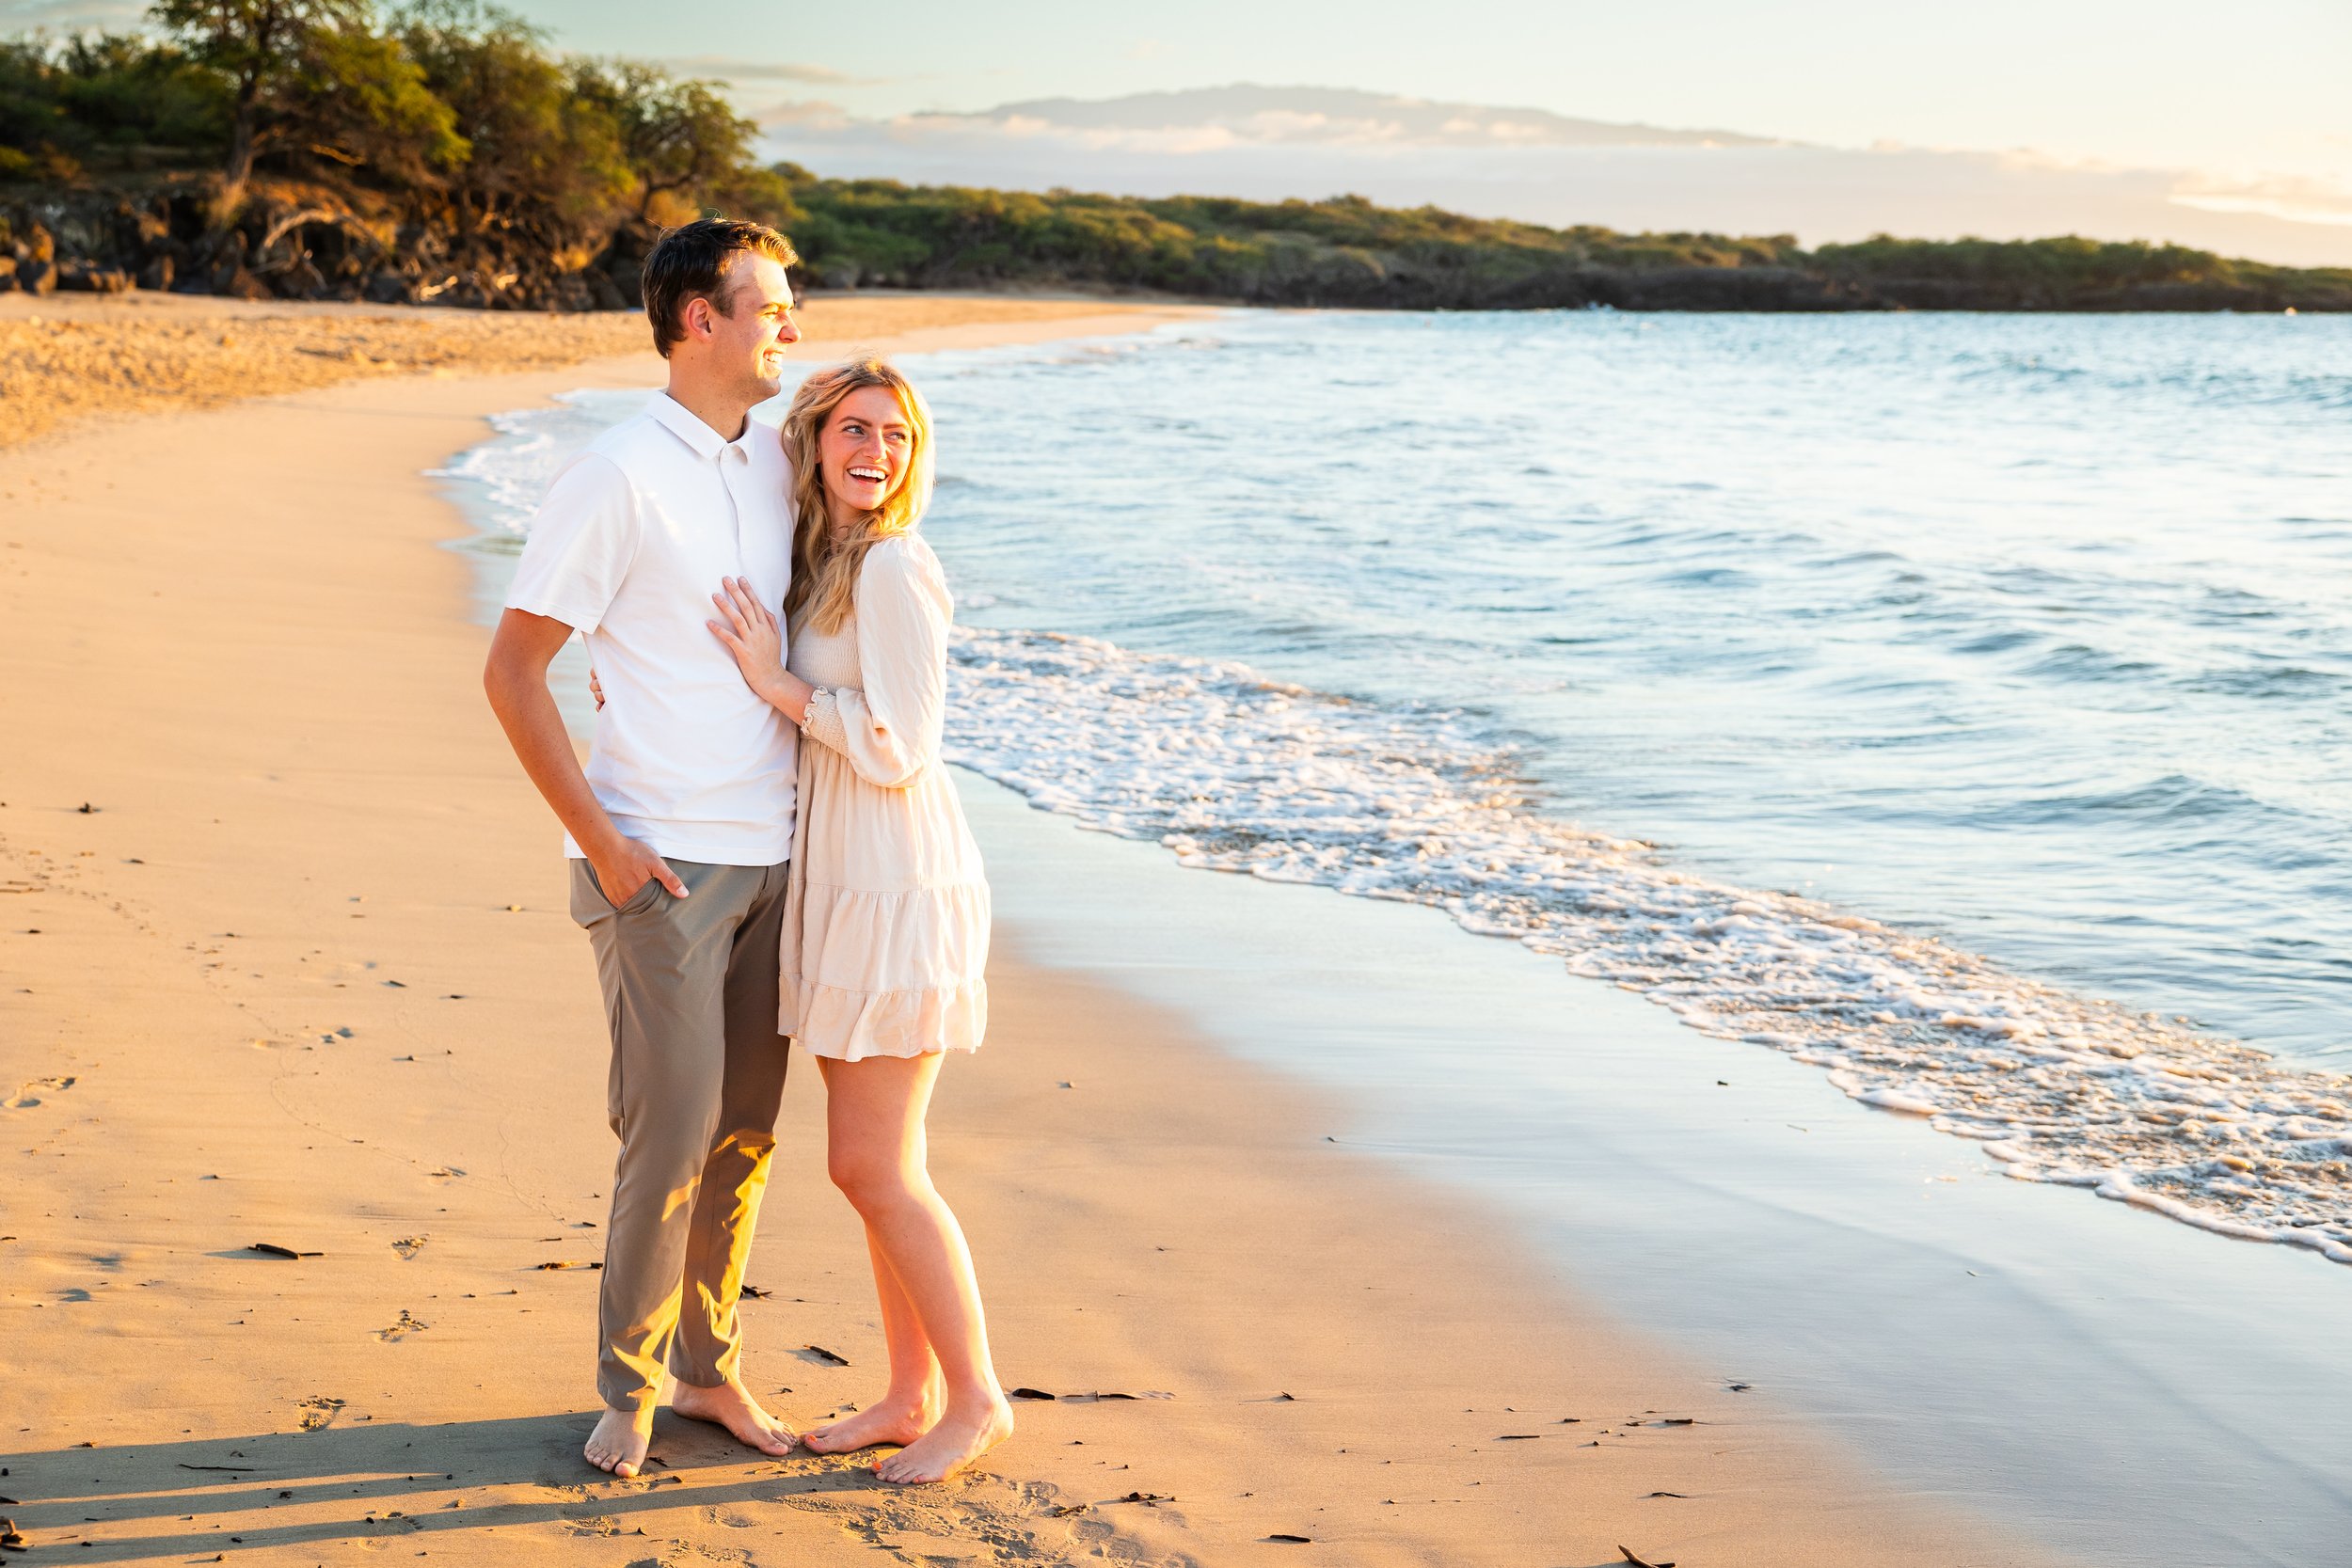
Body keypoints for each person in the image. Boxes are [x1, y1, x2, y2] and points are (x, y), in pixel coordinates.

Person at [481, 217, 804, 1481]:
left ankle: (712, 1368)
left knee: (749, 1133)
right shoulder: (613, 472)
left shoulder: (780, 463)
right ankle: (632, 1381)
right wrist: (605, 844)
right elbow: (514, 669)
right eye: (769, 306)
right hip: (661, 863)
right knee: (668, 1133)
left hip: (778, 854)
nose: (789, 326)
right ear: (697, 320)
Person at [702, 356, 1013, 1484]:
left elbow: (898, 746)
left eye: (896, 434)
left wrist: (774, 682)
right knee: (878, 1162)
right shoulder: (820, 564)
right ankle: (904, 1388)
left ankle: (974, 1396)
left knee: (874, 1165)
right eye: (855, 429)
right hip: (843, 880)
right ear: (816, 441)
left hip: (897, 881)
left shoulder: (892, 566)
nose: (876, 450)